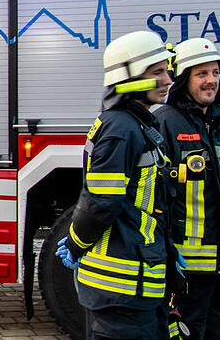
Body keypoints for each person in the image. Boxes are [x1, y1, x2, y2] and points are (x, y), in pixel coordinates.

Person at [55, 31, 180, 340]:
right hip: (122, 289)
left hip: (136, 282)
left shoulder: (136, 123)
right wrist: (75, 242)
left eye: (167, 70)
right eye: (158, 72)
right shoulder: (121, 129)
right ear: (129, 76)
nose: (168, 80)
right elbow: (102, 202)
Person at [155, 38, 220, 339]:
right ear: (182, 79)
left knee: (218, 328)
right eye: (201, 74)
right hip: (185, 265)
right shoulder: (165, 123)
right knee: (187, 332)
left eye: (215, 73)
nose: (211, 81)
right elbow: (155, 195)